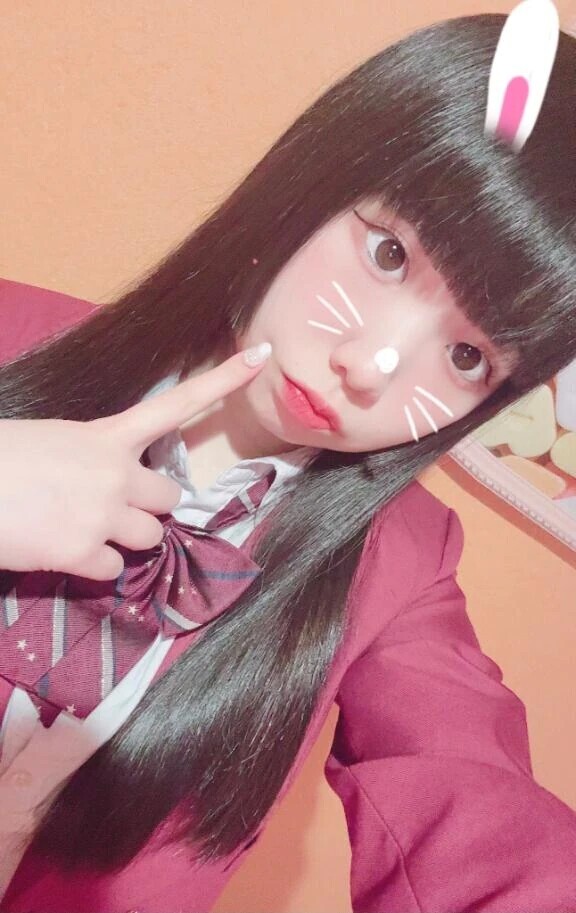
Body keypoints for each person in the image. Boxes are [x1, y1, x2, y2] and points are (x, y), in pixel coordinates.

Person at [0, 10, 575, 912]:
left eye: (469, 356)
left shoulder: (400, 568)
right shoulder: (10, 330)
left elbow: (480, 808)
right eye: (389, 252)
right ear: (314, 175)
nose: (370, 366)